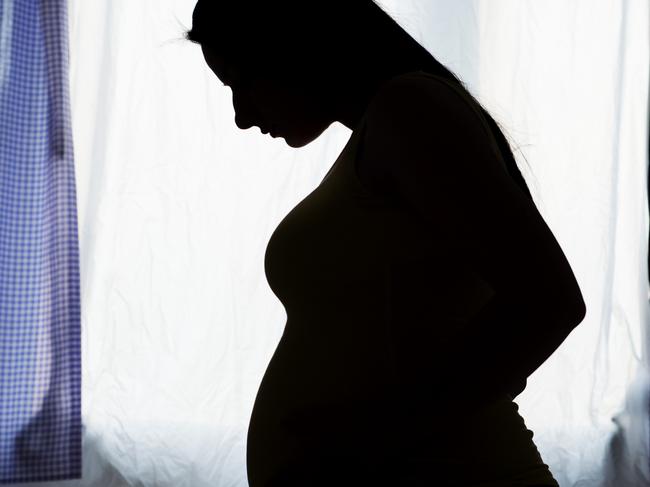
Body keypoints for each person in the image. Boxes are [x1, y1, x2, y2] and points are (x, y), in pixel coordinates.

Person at [185, 1, 586, 486]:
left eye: (241, 80)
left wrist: (363, 444)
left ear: (296, 43)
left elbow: (549, 302)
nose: (241, 116)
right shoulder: (384, 129)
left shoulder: (411, 111)